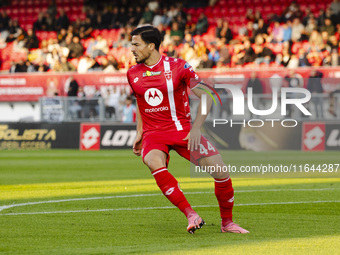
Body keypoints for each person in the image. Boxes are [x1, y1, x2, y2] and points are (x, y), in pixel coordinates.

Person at [127, 25, 249, 234]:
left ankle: (227, 223)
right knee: (153, 161)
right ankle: (191, 214)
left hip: (183, 130)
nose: (132, 49)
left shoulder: (179, 67)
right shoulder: (132, 73)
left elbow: (207, 97)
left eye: (136, 44)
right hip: (154, 134)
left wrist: (196, 129)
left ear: (151, 45)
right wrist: (140, 131)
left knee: (220, 171)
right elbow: (140, 102)